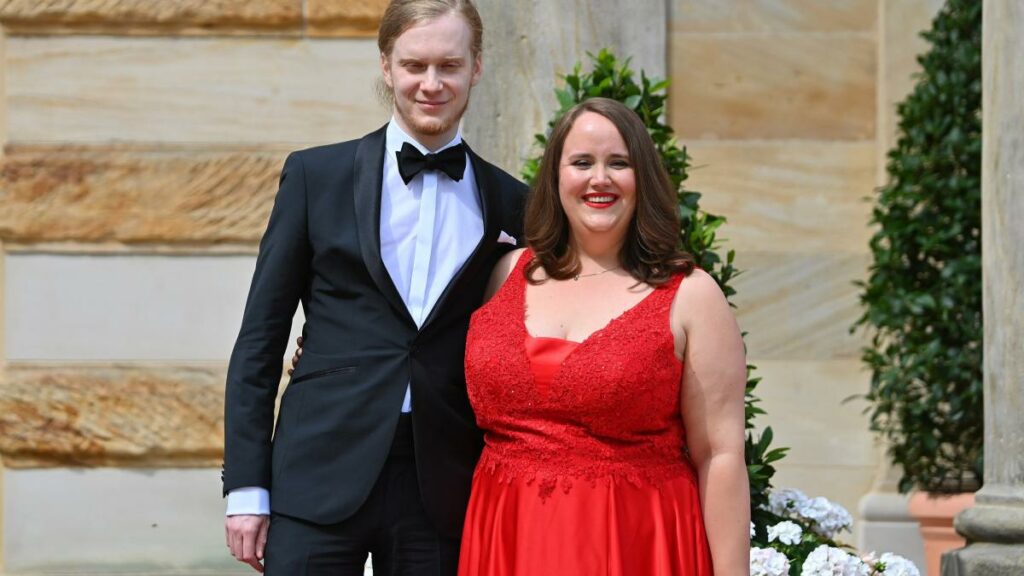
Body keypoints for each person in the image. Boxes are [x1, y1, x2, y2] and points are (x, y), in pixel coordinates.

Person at [221, 0, 527, 573]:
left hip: (444, 485)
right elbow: (260, 339)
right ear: (386, 66)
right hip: (317, 473)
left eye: (449, 66)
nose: (431, 83)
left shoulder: (513, 200)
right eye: (414, 65)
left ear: (477, 68)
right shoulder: (316, 177)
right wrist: (245, 489)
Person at [457, 97, 751, 575]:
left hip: (632, 543)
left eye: (619, 163)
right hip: (505, 539)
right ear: (555, 177)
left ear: (644, 180)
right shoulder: (504, 273)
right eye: (581, 163)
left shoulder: (691, 296)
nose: (600, 179)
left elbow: (719, 455)